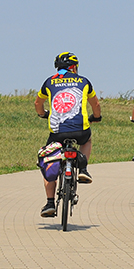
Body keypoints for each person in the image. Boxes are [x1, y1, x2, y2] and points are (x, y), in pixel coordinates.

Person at [35, 51, 102, 218]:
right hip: (80, 130)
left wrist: (43, 114)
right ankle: (84, 169)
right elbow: (96, 104)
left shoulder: (49, 81)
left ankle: (50, 203)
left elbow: (38, 103)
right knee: (87, 140)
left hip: (57, 132)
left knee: (50, 160)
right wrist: (97, 117)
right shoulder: (84, 81)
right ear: (74, 67)